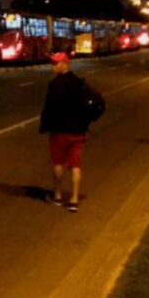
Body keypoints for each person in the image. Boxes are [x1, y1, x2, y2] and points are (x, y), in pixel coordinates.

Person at [39, 52, 97, 212]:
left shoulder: (55, 85)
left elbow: (49, 108)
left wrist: (45, 126)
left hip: (59, 130)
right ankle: (74, 199)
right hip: (78, 130)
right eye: (52, 63)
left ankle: (57, 195)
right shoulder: (79, 83)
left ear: (65, 64)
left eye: (56, 63)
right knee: (75, 164)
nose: (53, 66)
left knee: (58, 163)